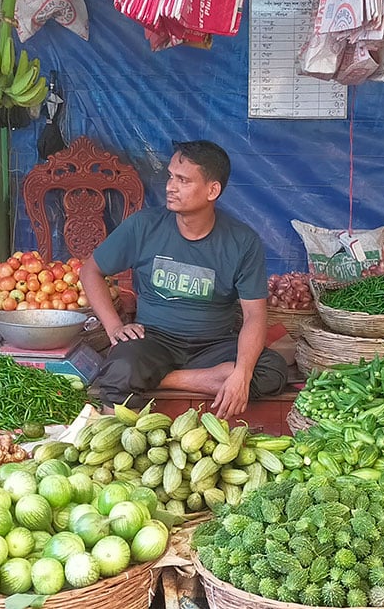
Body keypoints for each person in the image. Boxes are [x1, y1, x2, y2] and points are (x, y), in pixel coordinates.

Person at [79, 140, 287, 419]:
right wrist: (114, 326)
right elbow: (90, 270)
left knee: (272, 370)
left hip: (214, 345)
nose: (169, 186)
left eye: (183, 180)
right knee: (121, 366)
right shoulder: (144, 226)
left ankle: (159, 377)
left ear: (212, 190)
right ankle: (197, 378)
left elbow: (254, 316)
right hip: (153, 341)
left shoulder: (242, 241)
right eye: (170, 176)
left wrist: (241, 373)